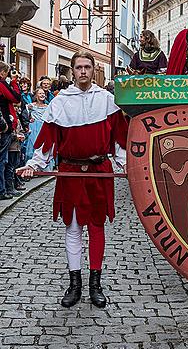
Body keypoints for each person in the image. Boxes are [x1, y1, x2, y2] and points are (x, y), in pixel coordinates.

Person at [17, 50, 128, 308]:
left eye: (87, 67)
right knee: (74, 227)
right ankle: (74, 283)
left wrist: (126, 166)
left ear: (93, 70)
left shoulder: (107, 100)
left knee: (97, 226)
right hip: (71, 171)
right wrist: (33, 165)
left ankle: (95, 284)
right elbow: (47, 142)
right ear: (73, 70)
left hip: (99, 170)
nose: (83, 72)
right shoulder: (60, 101)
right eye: (78, 67)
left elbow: (119, 139)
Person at [0, 61, 21, 201]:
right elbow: (16, 98)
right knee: (2, 160)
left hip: (5, 125)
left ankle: (5, 188)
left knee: (5, 160)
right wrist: (13, 82)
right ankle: (2, 190)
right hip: (4, 126)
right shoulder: (1, 84)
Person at [24, 88, 52, 165]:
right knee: (32, 146)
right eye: (40, 93)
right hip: (34, 128)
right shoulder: (31, 106)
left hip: (44, 127)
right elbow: (24, 115)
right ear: (36, 96)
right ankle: (31, 166)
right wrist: (29, 119)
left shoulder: (48, 106)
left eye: (43, 93)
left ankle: (43, 166)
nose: (42, 95)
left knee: (43, 146)